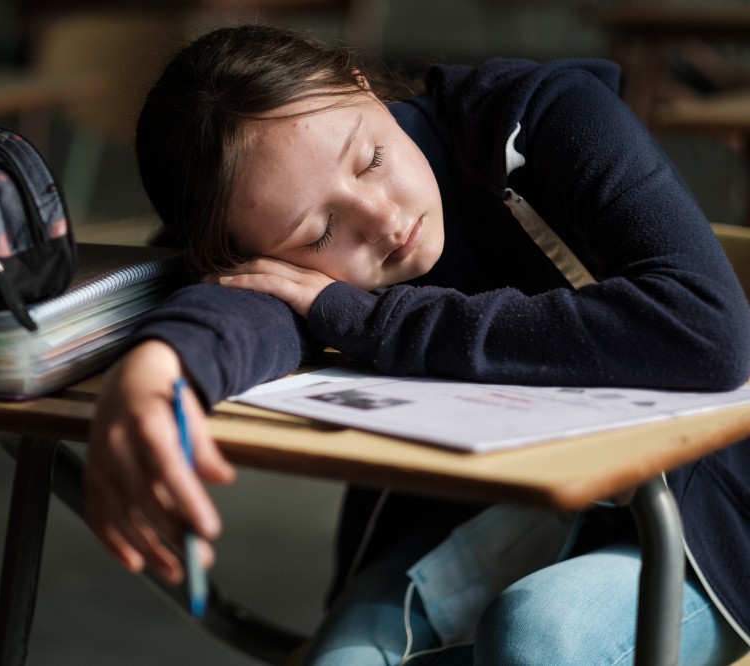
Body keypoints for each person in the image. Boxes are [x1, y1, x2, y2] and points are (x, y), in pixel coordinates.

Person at [85, 23, 750, 665]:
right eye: (319, 232)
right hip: (489, 507)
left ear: (362, 84)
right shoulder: (287, 249)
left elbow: (707, 331)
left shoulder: (539, 117)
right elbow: (246, 303)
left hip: (707, 512)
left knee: (537, 637)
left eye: (371, 159)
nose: (384, 218)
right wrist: (159, 367)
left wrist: (374, 319)